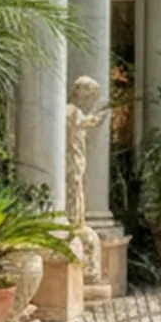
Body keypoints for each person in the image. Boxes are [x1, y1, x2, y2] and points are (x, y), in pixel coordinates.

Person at [65, 75, 109, 283]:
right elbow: (86, 122)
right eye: (88, 93)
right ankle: (74, 220)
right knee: (74, 188)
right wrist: (99, 117)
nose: (89, 98)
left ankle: (77, 219)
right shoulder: (71, 111)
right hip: (72, 158)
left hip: (78, 157)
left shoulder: (76, 112)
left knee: (78, 187)